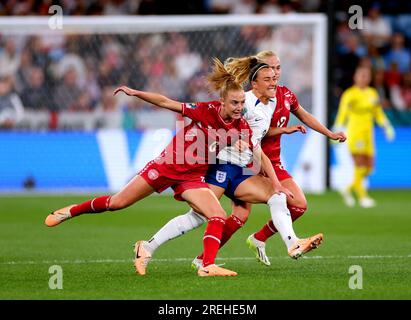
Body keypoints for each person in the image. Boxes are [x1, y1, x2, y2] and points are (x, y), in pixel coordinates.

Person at [44, 58, 274, 277]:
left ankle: (207, 265)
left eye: (242, 102)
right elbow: (166, 102)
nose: (239, 107)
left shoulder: (241, 124)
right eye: (235, 102)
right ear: (222, 101)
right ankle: (71, 211)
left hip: (193, 177)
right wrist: (136, 94)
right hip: (166, 167)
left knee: (217, 215)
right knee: (117, 203)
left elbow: (253, 149)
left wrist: (258, 161)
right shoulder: (205, 110)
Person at [134, 52, 343, 273]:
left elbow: (256, 138)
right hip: (223, 165)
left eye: (276, 74)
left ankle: (291, 243)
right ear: (255, 82)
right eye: (269, 77)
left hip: (244, 169)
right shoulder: (245, 103)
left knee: (276, 196)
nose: (275, 80)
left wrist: (280, 133)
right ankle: (152, 247)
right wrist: (233, 140)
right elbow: (227, 123)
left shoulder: (271, 102)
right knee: (198, 215)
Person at [334, 65, 395, 208]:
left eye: (366, 75)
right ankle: (362, 197)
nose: (364, 78)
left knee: (369, 168)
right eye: (361, 75)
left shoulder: (372, 93)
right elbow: (342, 114)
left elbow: (378, 113)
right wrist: (337, 129)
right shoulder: (350, 94)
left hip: (369, 134)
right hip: (355, 133)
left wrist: (387, 126)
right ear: (355, 77)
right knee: (360, 165)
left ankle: (347, 189)